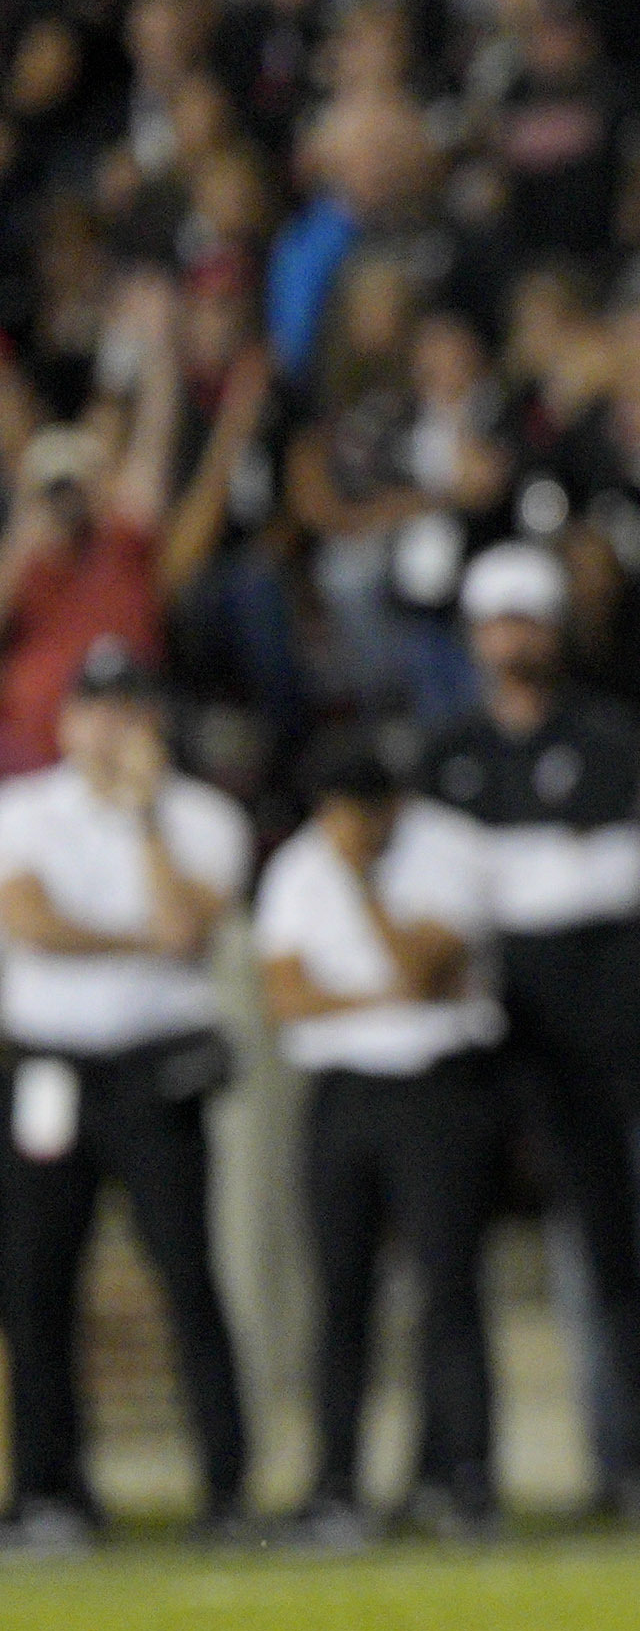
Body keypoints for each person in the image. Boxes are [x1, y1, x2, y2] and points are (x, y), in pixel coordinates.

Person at [430, 540, 640, 1517]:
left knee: (617, 1255)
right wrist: (557, 868)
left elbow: (636, 878)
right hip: (472, 1041)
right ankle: (454, 1471)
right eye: (497, 619)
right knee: (443, 1255)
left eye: (527, 617)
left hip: (594, 1043)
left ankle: (638, 1460)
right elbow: (439, 889)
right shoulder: (445, 748)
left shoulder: (609, 733)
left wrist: (504, 877)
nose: (512, 637)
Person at [0, 643, 254, 1545]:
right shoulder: (22, 808)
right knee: (34, 1284)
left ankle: (226, 1488)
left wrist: (145, 819)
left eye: (126, 709)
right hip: (49, 1069)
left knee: (187, 1273)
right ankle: (48, 1491)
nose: (109, 727)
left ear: (153, 719)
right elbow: (26, 921)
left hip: (157, 1071)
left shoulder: (201, 816)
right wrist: (132, 938)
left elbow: (185, 929)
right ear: (67, 719)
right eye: (94, 708)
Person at [256, 732, 502, 1539]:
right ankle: (336, 1484)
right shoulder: (296, 865)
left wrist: (363, 884)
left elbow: (418, 971)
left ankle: (461, 1477)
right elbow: (287, 997)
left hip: (436, 1088)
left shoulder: (446, 849)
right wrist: (377, 997)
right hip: (340, 1091)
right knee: (341, 1293)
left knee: (448, 1285)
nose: (346, 826)